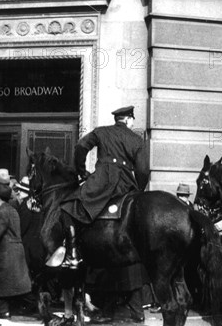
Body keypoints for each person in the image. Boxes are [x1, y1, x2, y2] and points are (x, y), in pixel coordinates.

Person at [47, 105, 149, 268]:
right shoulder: (137, 139)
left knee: (67, 208)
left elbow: (81, 146)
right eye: (132, 120)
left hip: (102, 181)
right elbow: (143, 170)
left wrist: (82, 171)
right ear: (128, 119)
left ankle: (73, 254)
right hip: (126, 183)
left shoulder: (101, 132)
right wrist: (138, 191)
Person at [0, 184, 32, 319]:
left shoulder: (1, 211)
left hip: (5, 250)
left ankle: (3, 311)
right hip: (16, 248)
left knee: (2, 281)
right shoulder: (13, 209)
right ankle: (30, 304)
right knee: (18, 283)